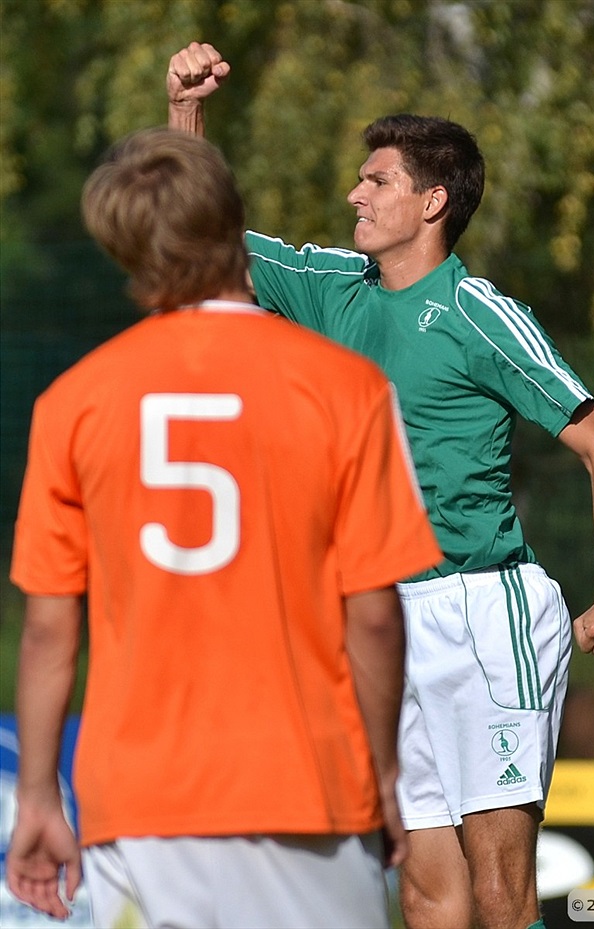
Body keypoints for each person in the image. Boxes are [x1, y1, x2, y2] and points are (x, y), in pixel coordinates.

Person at [166, 42, 594, 929]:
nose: (356, 194)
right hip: (382, 619)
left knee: (500, 891)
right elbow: (201, 243)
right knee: (426, 893)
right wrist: (186, 115)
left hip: (483, 613)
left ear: (431, 202)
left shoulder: (477, 312)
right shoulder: (333, 288)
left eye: (376, 180)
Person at [6, 127, 443, 929]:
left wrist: (38, 795)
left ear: (126, 252)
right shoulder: (346, 388)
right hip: (305, 788)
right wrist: (383, 773)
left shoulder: (72, 402)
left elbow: (47, 630)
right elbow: (375, 617)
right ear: (235, 223)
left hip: (135, 805)